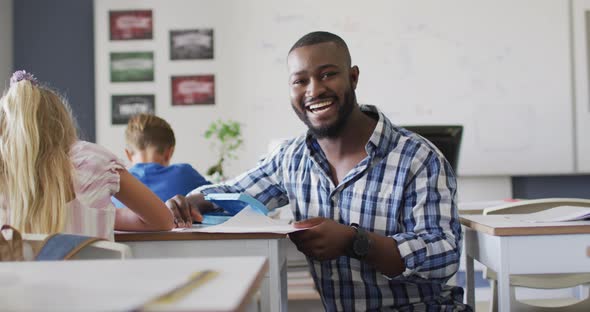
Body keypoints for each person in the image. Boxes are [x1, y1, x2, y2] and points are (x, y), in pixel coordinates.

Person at [167, 31, 469, 311]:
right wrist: (195, 201)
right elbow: (235, 192)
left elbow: (443, 256)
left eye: (327, 74)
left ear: (353, 77)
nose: (314, 90)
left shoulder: (418, 158)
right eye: (300, 81)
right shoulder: (292, 157)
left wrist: (355, 242)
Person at [0, 70, 182, 241]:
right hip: (92, 275)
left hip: (20, 276)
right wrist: (97, 214)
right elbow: (163, 220)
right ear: (61, 123)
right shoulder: (93, 161)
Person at [112, 113, 210, 212]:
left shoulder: (113, 182)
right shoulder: (185, 173)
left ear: (128, 154)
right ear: (169, 153)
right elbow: (220, 196)